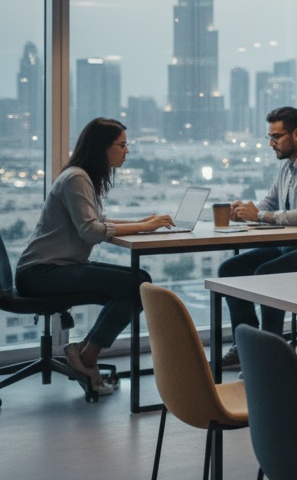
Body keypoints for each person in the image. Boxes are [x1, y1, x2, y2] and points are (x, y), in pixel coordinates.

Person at [15, 118, 176, 398]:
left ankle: (86, 351)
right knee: (137, 286)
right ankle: (87, 356)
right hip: (41, 274)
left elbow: (96, 221)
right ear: (103, 147)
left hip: (55, 268)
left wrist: (141, 221)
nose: (127, 151)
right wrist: (144, 227)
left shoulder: (81, 176)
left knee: (139, 282)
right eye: (122, 145)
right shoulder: (77, 177)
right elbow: (90, 231)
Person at [216, 106, 297, 369]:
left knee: (268, 274)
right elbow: (271, 202)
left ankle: (269, 358)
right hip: (293, 246)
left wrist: (261, 217)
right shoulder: (287, 167)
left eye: (276, 137)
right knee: (230, 269)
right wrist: (245, 212)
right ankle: (247, 345)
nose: (271, 144)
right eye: (269, 137)